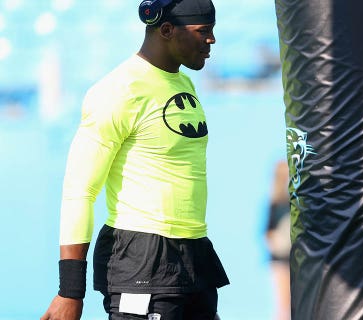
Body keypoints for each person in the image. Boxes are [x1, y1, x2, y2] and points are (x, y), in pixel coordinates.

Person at [41, 0, 229, 319]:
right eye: (203, 31)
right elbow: (79, 191)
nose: (211, 40)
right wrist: (70, 291)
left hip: (194, 257)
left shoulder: (184, 84)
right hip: (141, 260)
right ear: (167, 30)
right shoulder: (118, 91)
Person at [264, 160, 292, 320]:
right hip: (279, 260)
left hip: (294, 260)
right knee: (283, 303)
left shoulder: (295, 203)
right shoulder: (276, 204)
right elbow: (268, 234)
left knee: (294, 302)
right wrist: (279, 242)